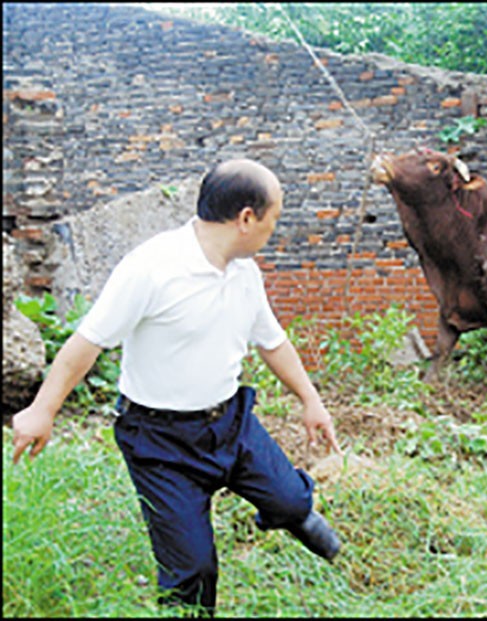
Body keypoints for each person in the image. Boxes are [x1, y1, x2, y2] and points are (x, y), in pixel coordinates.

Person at [11, 158, 343, 616]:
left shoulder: (245, 272)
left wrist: (311, 401)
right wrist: (43, 409)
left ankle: (294, 514)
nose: (275, 228)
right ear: (247, 218)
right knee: (193, 571)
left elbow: (274, 343)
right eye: (274, 218)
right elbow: (86, 344)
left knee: (291, 499)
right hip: (159, 442)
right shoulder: (152, 267)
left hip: (231, 423)